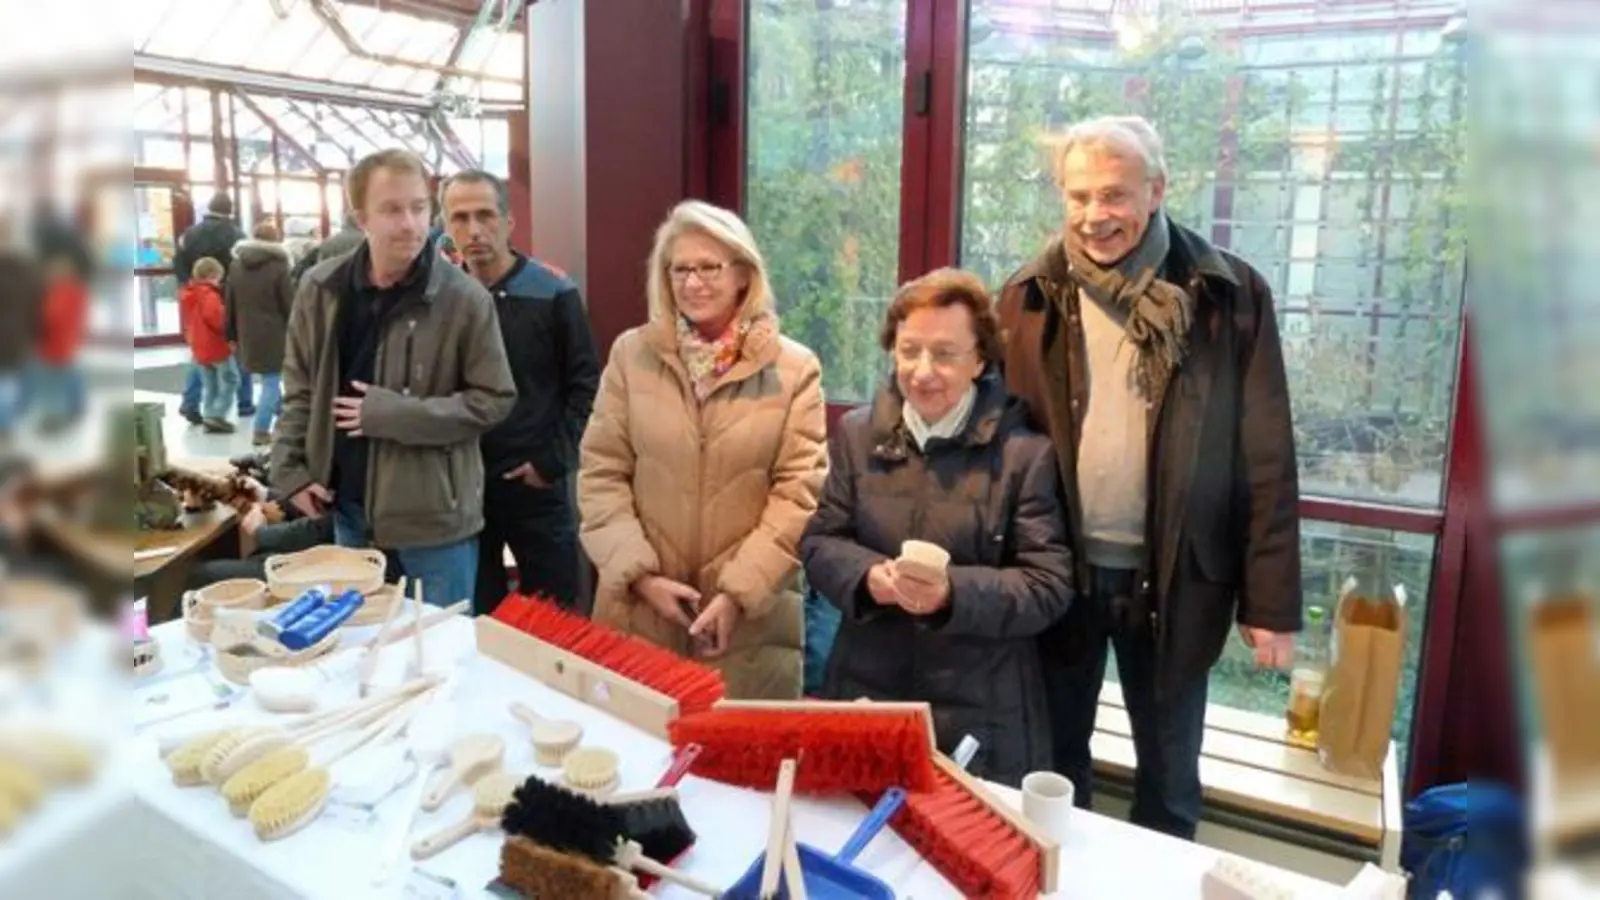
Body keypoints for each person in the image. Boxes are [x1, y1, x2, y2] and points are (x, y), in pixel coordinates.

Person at [997, 115, 1302, 839]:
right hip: (1057, 574)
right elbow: (998, 444)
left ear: (1157, 190)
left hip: (1177, 577)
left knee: (1169, 781)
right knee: (1053, 768)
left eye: (1113, 195)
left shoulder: (1226, 294)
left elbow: (1266, 453)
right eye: (1077, 197)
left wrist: (1273, 602)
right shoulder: (1028, 295)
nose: (1094, 216)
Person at [801, 268, 1073, 786]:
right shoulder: (857, 434)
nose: (923, 371)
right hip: (866, 691)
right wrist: (869, 576)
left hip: (980, 711)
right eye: (909, 351)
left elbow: (1049, 586)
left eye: (945, 354)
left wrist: (952, 594)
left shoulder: (1024, 454)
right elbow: (819, 543)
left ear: (980, 360)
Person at [578, 200, 826, 700]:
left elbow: (799, 496)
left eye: (709, 267)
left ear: (742, 273)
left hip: (748, 625)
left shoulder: (795, 369)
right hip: (638, 614)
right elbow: (601, 472)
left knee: (735, 770)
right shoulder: (631, 355)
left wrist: (738, 594)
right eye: (680, 270)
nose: (693, 283)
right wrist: (640, 576)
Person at [271, 148, 517, 609]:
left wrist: (396, 415)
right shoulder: (322, 289)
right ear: (361, 217)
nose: (410, 224)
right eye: (392, 210)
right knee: (359, 655)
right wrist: (290, 472)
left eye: (419, 207)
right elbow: (300, 389)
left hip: (435, 525)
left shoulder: (463, 299)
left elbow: (494, 400)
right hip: (348, 514)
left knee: (440, 657)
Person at [438, 170, 600, 614]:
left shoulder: (553, 292)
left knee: (557, 619)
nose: (474, 230)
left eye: (485, 215)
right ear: (447, 227)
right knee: (476, 620)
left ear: (509, 222)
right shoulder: (441, 298)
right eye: (460, 218)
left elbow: (586, 386)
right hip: (464, 485)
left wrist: (552, 463)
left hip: (536, 486)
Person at [175, 194, 252, 424]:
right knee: (234, 352)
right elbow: (243, 268)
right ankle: (245, 403)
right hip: (225, 298)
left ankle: (190, 401)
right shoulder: (237, 235)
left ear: (209, 207)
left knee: (201, 355)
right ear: (231, 210)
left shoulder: (189, 234)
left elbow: (178, 262)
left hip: (194, 295)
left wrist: (188, 286)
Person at [226, 221, 295, 446]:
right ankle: (261, 429)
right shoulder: (279, 265)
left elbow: (230, 303)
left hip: (247, 332)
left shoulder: (236, 266)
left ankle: (280, 417)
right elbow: (289, 303)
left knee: (267, 380)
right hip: (274, 333)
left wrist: (231, 334)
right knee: (272, 381)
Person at [177, 257, 239, 434]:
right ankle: (217, 414)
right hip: (216, 345)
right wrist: (230, 331)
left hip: (198, 345)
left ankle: (209, 413)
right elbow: (219, 320)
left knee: (210, 383)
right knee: (231, 380)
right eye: (219, 277)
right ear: (212, 275)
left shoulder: (189, 294)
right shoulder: (209, 295)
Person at [32, 255, 90, 432]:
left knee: (59, 379)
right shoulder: (63, 290)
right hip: (59, 342)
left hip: (60, 342)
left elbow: (52, 316)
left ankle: (58, 416)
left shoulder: (66, 292)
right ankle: (75, 407)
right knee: (67, 375)